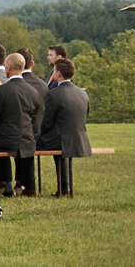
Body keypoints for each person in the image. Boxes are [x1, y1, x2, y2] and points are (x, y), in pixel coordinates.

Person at [0, 51, 43, 197]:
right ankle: (30, 187)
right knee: (27, 146)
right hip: (27, 138)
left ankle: (6, 184)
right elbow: (35, 115)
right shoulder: (33, 91)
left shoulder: (2, 91)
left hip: (5, 138)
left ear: (9, 67)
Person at [37, 58, 90, 195]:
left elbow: (47, 123)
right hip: (78, 137)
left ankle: (27, 185)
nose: (52, 75)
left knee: (28, 141)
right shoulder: (82, 93)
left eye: (54, 72)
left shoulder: (54, 94)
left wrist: (41, 133)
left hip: (59, 139)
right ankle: (65, 188)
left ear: (59, 73)